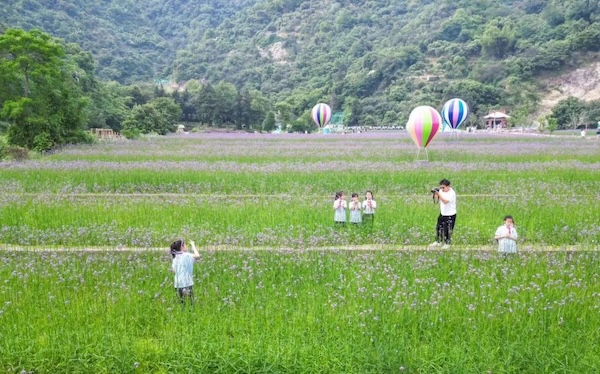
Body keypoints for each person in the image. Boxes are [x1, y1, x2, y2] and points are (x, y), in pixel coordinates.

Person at [171, 239, 201, 306]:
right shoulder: (187, 255)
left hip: (177, 284)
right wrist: (193, 245)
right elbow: (198, 256)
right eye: (185, 244)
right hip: (187, 283)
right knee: (191, 303)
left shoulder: (175, 258)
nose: (186, 246)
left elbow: (173, 270)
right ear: (182, 247)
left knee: (182, 304)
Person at [429, 179, 456, 249]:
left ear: (448, 186)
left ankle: (447, 243)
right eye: (441, 187)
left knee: (447, 229)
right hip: (443, 213)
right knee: (439, 227)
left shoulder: (452, 193)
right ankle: (438, 241)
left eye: (443, 187)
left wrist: (439, 194)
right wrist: (435, 194)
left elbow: (445, 201)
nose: (442, 189)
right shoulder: (441, 191)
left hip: (450, 214)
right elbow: (437, 199)